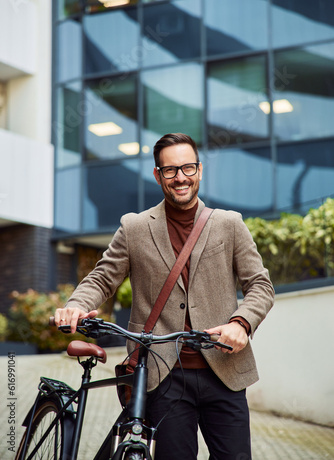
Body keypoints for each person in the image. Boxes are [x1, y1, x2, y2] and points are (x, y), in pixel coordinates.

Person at [55, 132, 275, 460]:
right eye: (170, 170)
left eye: (187, 168)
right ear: (158, 176)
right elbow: (102, 279)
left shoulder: (229, 224)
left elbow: (260, 285)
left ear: (199, 170)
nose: (180, 177)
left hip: (225, 371)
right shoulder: (135, 227)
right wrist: (75, 306)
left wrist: (241, 323)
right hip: (164, 375)